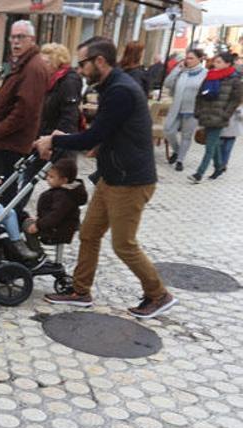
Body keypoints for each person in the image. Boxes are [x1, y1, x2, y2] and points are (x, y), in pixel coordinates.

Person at [34, 36, 177, 319]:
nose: (80, 69)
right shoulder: (112, 86)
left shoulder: (120, 90)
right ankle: (80, 291)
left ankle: (158, 294)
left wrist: (54, 140)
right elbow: (109, 131)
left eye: (83, 63)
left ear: (100, 61)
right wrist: (91, 142)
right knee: (89, 234)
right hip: (112, 176)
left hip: (131, 181)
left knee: (124, 244)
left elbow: (95, 135)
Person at [0, 20, 50, 210]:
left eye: (21, 37)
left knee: (5, 193)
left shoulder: (33, 68)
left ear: (32, 40)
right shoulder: (22, 64)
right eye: (13, 37)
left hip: (10, 142)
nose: (16, 42)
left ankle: (8, 232)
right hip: (3, 141)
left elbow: (24, 110)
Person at [190, 52, 243, 183]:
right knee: (213, 143)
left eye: (219, 62)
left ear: (228, 64)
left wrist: (225, 114)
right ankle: (219, 167)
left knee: (209, 146)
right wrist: (198, 110)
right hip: (206, 114)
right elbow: (200, 95)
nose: (215, 64)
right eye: (215, 61)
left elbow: (235, 100)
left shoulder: (234, 79)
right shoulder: (210, 76)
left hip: (219, 117)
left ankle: (199, 173)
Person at [23, 158, 87, 251]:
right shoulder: (64, 192)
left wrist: (38, 225)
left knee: (27, 225)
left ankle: (37, 253)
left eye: (52, 177)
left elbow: (55, 215)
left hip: (57, 230)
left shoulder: (64, 196)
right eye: (48, 176)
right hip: (55, 227)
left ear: (64, 180)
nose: (48, 179)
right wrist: (40, 220)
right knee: (28, 221)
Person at [163, 49, 206, 172]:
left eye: (191, 58)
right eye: (187, 58)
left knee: (186, 136)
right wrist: (177, 69)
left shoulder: (205, 73)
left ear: (199, 59)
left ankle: (180, 160)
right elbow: (167, 83)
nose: (188, 60)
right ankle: (177, 151)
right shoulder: (183, 72)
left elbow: (206, 92)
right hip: (176, 108)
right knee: (168, 130)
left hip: (192, 110)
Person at [39, 43, 83, 139]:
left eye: (46, 62)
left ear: (56, 62)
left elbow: (69, 115)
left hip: (58, 139)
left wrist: (57, 141)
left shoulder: (69, 81)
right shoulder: (48, 80)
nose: (41, 66)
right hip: (45, 135)